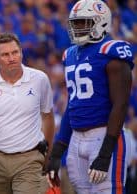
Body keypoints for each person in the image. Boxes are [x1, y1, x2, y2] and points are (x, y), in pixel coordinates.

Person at [46, 0, 135, 193]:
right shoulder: (70, 54)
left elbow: (120, 105)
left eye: (82, 23)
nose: (76, 29)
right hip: (76, 140)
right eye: (74, 24)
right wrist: (57, 152)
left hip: (103, 135)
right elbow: (73, 105)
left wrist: (105, 153)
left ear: (100, 22)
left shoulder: (110, 51)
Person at [0, 32, 55, 194]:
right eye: (5, 55)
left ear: (21, 52)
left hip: (29, 158)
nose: (11, 58)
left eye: (15, 52)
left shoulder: (40, 79)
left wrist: (48, 152)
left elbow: (48, 116)